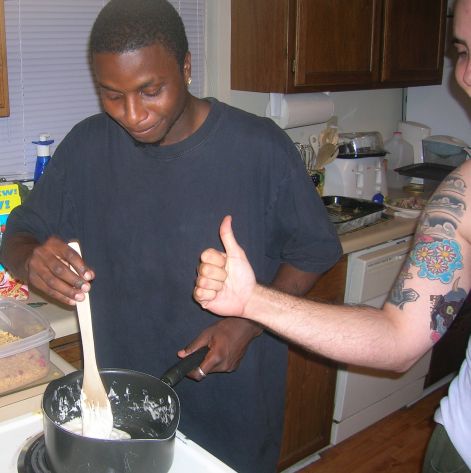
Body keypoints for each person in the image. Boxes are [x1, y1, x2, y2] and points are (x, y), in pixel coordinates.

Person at [0, 1, 342, 471]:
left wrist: (249, 322)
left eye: (150, 90)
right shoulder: (86, 147)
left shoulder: (258, 148)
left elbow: (315, 250)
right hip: (121, 414)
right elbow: (19, 233)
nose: (132, 114)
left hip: (231, 413)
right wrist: (32, 260)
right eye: (112, 95)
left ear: (185, 67)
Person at [193, 2, 471, 470]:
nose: (466, 74)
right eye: (463, 50)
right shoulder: (463, 197)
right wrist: (252, 301)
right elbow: (398, 339)